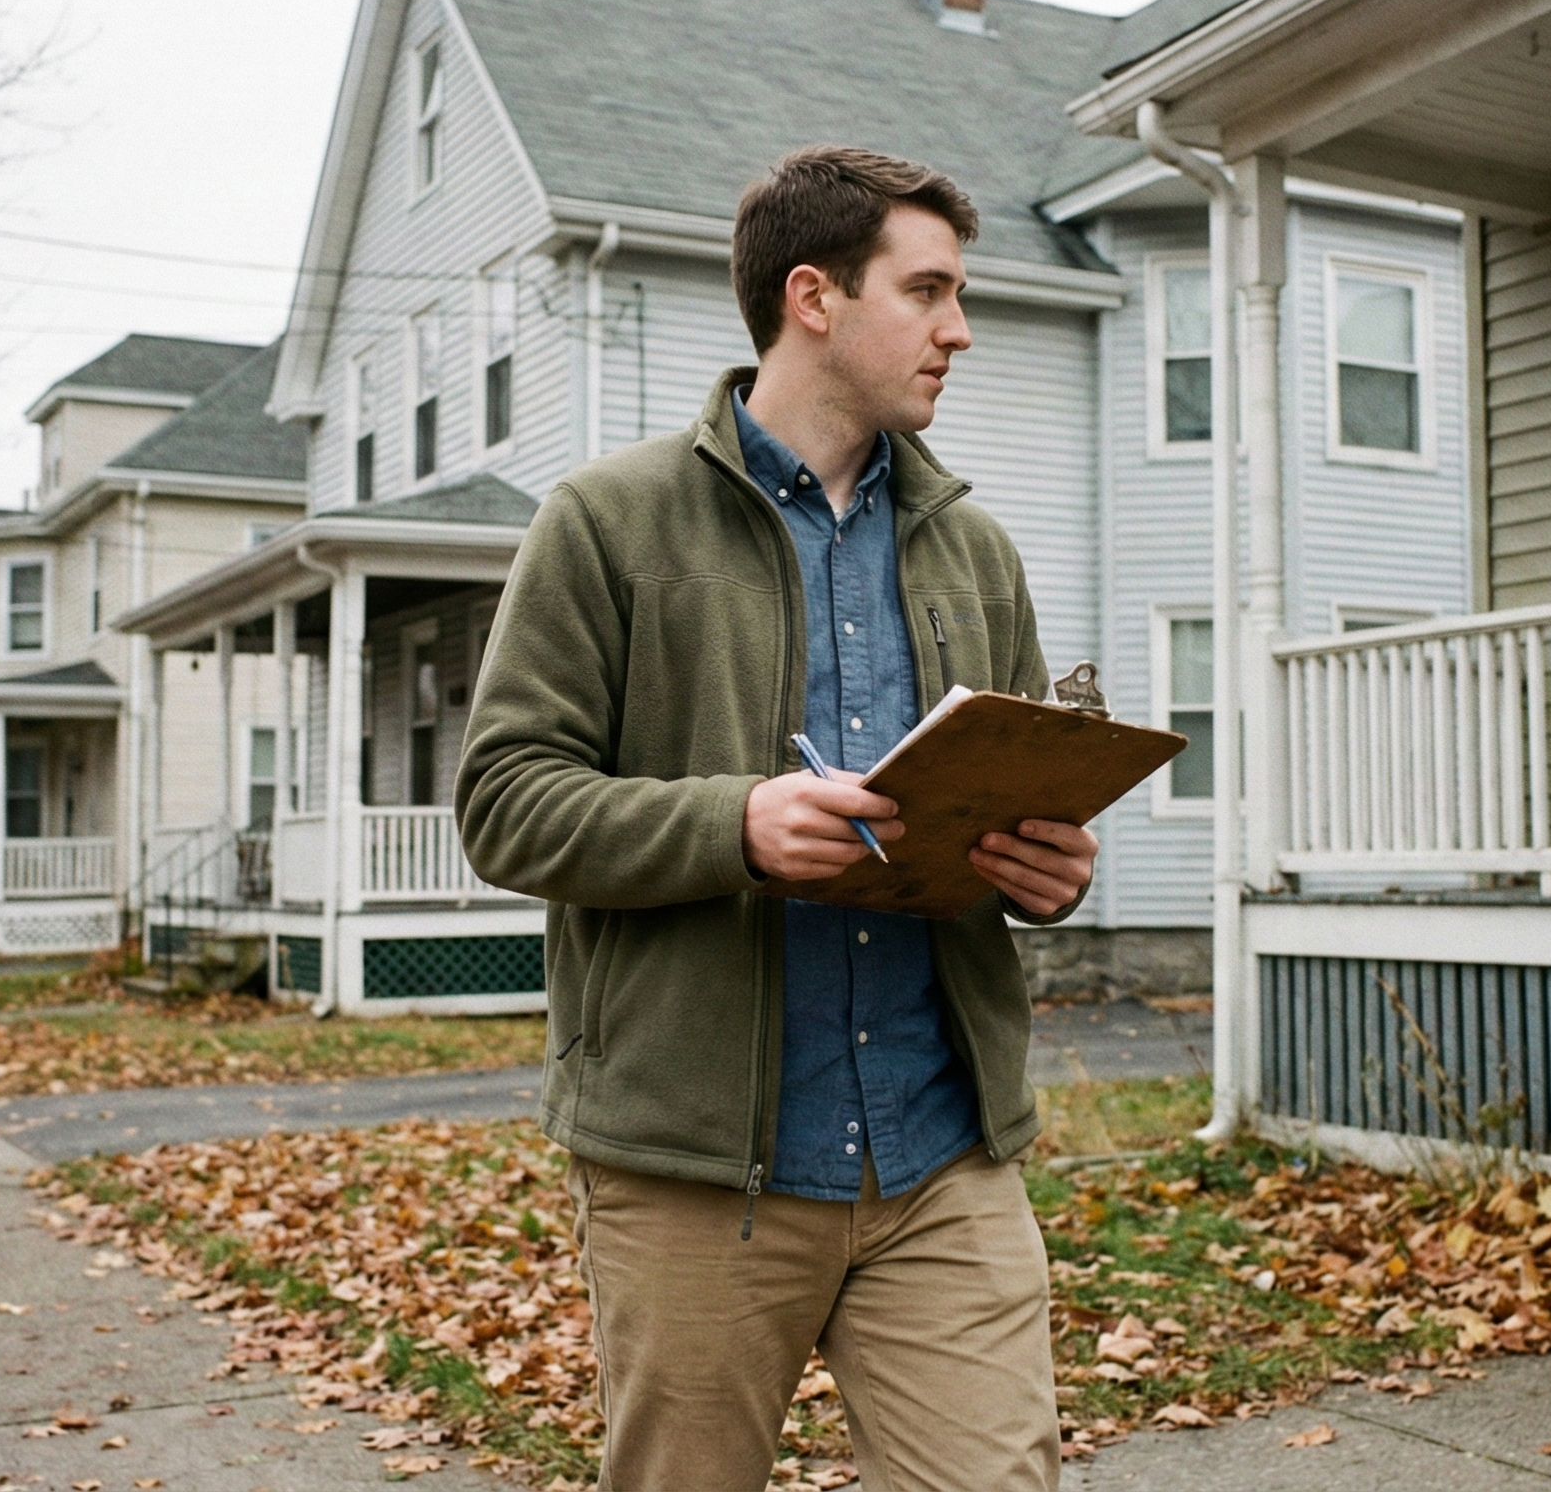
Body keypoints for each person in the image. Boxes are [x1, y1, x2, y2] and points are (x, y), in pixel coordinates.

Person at [457, 144, 1097, 1492]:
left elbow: (1023, 783)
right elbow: (507, 802)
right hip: (700, 1171)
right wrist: (735, 825)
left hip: (941, 1158)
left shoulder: (975, 549)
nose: (957, 330)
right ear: (813, 295)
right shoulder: (607, 523)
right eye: (926, 293)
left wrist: (1050, 865)